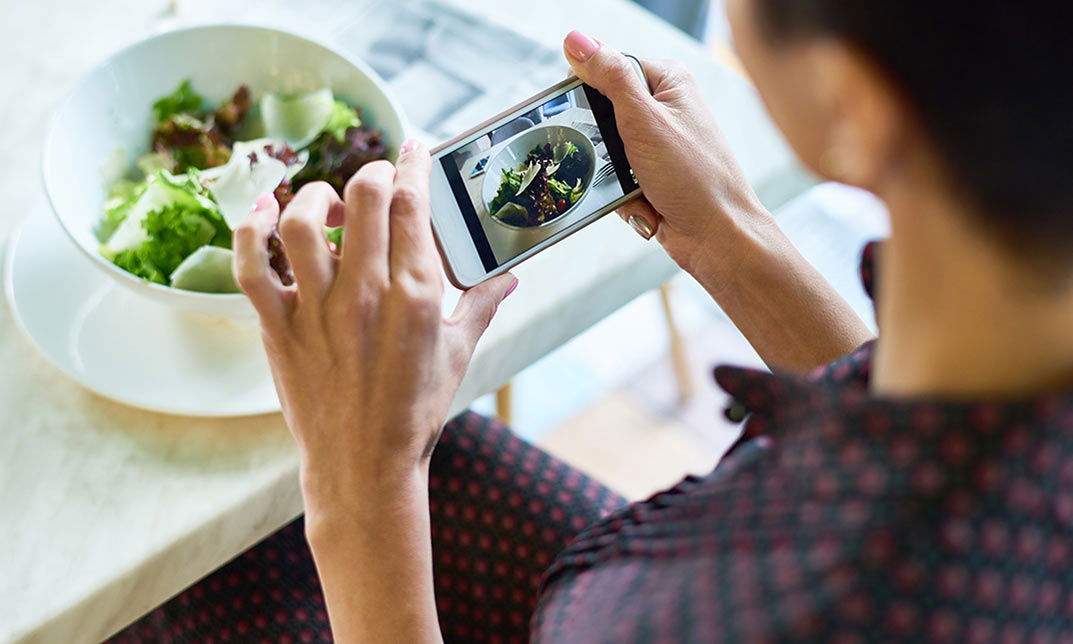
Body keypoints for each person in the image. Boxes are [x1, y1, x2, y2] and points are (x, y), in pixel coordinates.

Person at [114, 0, 1073, 641]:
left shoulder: (800, 602)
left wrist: (359, 492)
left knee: (160, 586)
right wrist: (732, 241)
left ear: (853, 102)